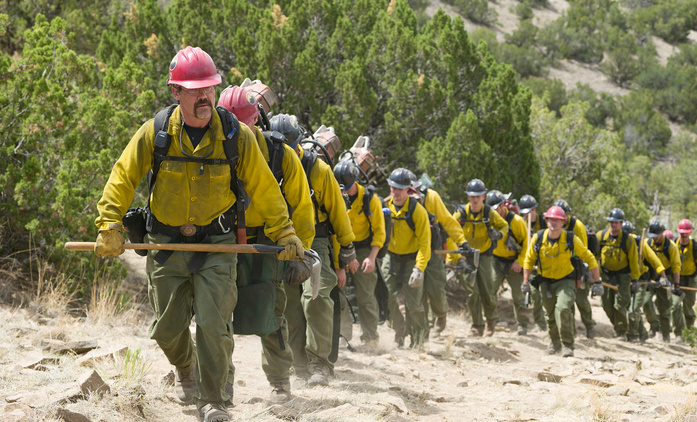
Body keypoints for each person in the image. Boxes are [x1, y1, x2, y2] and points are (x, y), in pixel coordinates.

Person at [93, 47, 304, 422]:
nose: (205, 96)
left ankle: (213, 401)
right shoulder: (155, 132)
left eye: (210, 88)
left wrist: (285, 233)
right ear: (176, 92)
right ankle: (185, 367)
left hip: (218, 244)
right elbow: (122, 177)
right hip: (166, 243)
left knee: (213, 324)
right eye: (195, 89)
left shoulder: (236, 136)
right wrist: (109, 224)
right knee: (166, 329)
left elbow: (265, 188)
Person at [217, 86, 315, 403]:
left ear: (258, 122)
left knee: (272, 318)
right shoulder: (210, 149)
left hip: (269, 245)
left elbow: (301, 207)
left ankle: (280, 383)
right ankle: (221, 384)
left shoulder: (281, 155)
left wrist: (302, 255)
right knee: (216, 317)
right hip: (222, 241)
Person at [270, 114, 356, 387]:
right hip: (282, 240)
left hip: (315, 239)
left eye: (292, 143)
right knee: (291, 305)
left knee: (316, 297)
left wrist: (347, 249)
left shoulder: (317, 169)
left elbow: (337, 211)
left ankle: (319, 363)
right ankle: (299, 365)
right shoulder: (267, 165)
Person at [522, 206, 602, 357]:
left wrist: (597, 281)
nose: (554, 223)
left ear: (563, 222)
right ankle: (555, 343)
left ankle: (568, 345)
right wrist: (525, 282)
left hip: (565, 280)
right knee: (550, 314)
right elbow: (528, 260)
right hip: (545, 281)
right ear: (546, 220)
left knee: (564, 309)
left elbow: (589, 257)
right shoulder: (538, 238)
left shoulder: (570, 239)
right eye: (551, 219)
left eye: (557, 220)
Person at [333, 160, 386, 344]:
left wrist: (371, 259)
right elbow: (334, 231)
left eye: (346, 188)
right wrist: (341, 263)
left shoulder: (369, 199)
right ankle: (343, 337)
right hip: (341, 248)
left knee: (366, 296)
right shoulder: (335, 197)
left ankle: (371, 338)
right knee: (341, 295)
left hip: (364, 249)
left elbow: (380, 232)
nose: (344, 192)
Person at [412, 173, 467, 335]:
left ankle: (441, 314)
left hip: (434, 253)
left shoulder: (432, 199)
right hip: (413, 253)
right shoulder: (402, 201)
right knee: (417, 292)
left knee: (436, 291)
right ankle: (423, 332)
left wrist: (461, 249)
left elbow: (448, 227)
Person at [381, 168, 431, 347]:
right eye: (393, 188)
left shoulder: (417, 212)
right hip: (391, 258)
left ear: (408, 190)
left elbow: (425, 243)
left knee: (414, 302)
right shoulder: (385, 207)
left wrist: (419, 268)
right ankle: (399, 331)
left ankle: (418, 339)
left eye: (400, 189)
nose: (395, 193)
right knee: (388, 296)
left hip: (412, 259)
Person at [452, 179, 509, 337]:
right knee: (472, 293)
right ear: (468, 197)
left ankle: (491, 321)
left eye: (478, 196)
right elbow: (450, 229)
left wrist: (498, 234)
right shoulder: (461, 213)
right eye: (471, 196)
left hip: (484, 255)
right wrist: (457, 258)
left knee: (487, 291)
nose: (475, 199)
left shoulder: (488, 212)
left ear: (483, 196)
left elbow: (504, 225)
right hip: (466, 255)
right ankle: (477, 326)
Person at [486, 190, 530, 335]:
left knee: (518, 296)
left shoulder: (517, 221)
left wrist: (520, 262)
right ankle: (489, 323)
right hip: (496, 260)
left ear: (502, 206)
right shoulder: (488, 220)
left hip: (514, 262)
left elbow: (527, 245)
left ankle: (522, 325)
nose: (495, 212)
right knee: (490, 291)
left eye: (497, 208)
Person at [595, 208, 641, 340]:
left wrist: (635, 279)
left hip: (623, 276)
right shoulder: (601, 236)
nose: (613, 225)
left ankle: (621, 332)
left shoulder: (628, 240)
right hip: (605, 275)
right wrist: (593, 275)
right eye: (611, 222)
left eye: (616, 222)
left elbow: (633, 262)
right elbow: (594, 256)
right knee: (606, 304)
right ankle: (618, 326)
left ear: (621, 224)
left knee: (620, 305)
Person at [554, 199, 597, 339]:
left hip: (579, 267)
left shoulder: (578, 226)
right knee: (567, 300)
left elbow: (582, 251)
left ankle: (590, 326)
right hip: (563, 267)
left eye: (564, 215)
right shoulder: (554, 226)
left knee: (581, 300)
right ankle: (570, 330)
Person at [622, 220, 667, 342]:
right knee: (628, 307)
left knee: (634, 308)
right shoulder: (619, 242)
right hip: (626, 279)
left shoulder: (640, 243)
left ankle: (632, 335)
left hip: (641, 280)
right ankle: (643, 333)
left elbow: (655, 261)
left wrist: (663, 277)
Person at [647, 220, 684, 343]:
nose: (654, 238)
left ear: (662, 233)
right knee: (646, 302)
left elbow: (676, 267)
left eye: (656, 235)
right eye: (652, 236)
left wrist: (676, 285)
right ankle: (654, 325)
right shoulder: (647, 244)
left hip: (667, 278)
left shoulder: (671, 247)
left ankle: (666, 335)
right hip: (651, 278)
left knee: (664, 308)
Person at [518, 195, 547, 331]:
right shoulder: (521, 223)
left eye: (528, 211)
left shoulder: (545, 222)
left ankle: (544, 323)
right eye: (523, 212)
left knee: (542, 295)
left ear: (535, 209)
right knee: (531, 293)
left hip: (544, 262)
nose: (526, 215)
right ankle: (531, 324)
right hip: (528, 262)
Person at [676, 219, 696, 330]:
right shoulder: (673, 245)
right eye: (682, 232)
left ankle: (689, 332)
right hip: (676, 280)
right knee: (675, 307)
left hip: (690, 281)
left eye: (686, 232)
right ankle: (678, 333)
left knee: (688, 308)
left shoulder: (695, 247)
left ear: (690, 232)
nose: (684, 235)